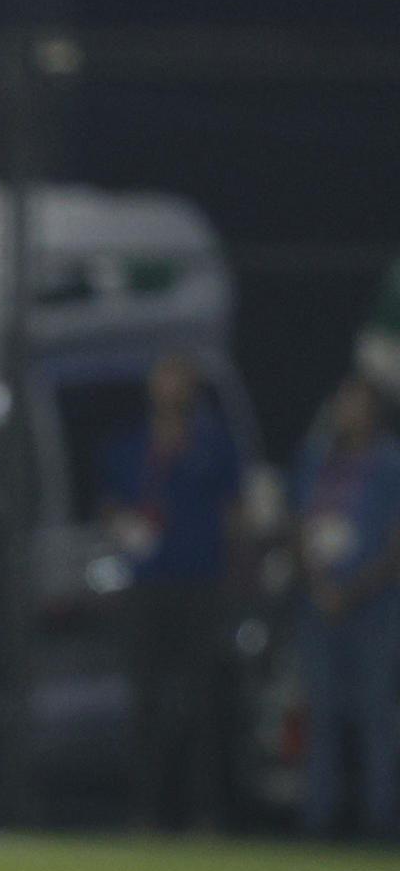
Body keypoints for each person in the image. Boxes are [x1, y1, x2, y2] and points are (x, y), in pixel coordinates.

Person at [96, 352, 244, 830]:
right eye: (165, 377)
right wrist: (122, 527)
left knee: (202, 701)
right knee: (146, 701)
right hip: (147, 585)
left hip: (200, 583)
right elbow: (108, 505)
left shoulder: (214, 443)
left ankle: (203, 809)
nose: (172, 388)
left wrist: (238, 575)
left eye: (181, 379)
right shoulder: (128, 445)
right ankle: (145, 809)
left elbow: (234, 513)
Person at [291, 374, 400, 839]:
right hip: (319, 607)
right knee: (322, 713)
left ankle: (380, 818)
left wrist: (352, 591)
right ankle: (320, 816)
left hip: (374, 609)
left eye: (356, 402)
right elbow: (297, 525)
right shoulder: (316, 458)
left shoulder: (392, 463)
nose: (346, 410)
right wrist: (319, 586)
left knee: (376, 714)